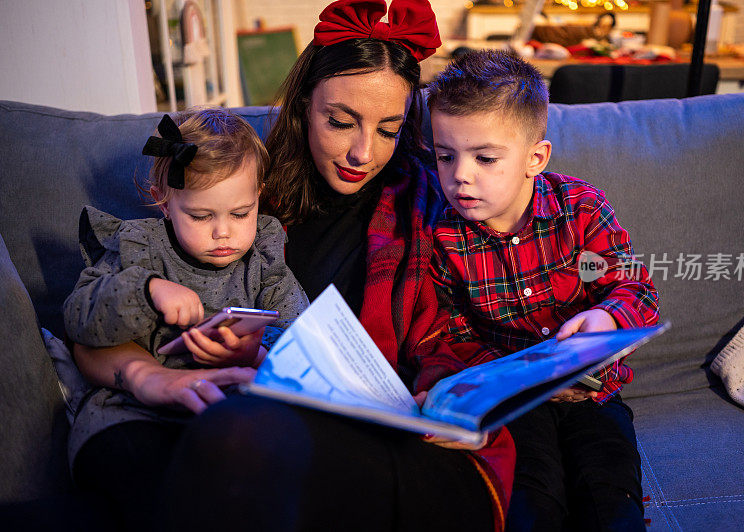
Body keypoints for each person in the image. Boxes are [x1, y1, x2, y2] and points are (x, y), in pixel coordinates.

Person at [68, 2, 515, 531]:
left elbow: (459, 333)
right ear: (304, 105)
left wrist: (441, 392)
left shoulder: (429, 204)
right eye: (340, 121)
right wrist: (157, 370)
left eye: (389, 130)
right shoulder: (241, 198)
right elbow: (94, 325)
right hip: (254, 420)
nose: (362, 153)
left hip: (379, 428)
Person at [426, 49, 659, 531]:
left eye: (485, 158)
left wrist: (607, 319)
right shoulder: (444, 236)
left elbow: (635, 288)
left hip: (593, 398)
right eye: (445, 156)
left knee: (610, 501)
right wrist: (496, 376)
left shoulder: (581, 209)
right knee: (529, 504)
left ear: (536, 158)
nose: (460, 175)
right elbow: (450, 331)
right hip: (515, 403)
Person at [63, 107, 308, 527]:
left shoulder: (264, 260)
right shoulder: (138, 246)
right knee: (133, 466)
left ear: (258, 196)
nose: (223, 233)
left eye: (240, 213)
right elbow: (79, 317)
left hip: (224, 411)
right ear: (165, 200)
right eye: (201, 216)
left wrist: (254, 352)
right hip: (132, 410)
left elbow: (299, 334)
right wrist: (146, 290)